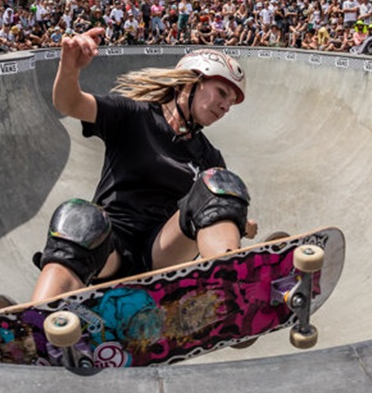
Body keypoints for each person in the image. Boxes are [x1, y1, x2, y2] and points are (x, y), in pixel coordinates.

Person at [30, 28, 257, 303]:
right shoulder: (133, 115)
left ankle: (230, 290)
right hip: (109, 252)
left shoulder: (208, 156)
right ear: (190, 82)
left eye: (231, 103)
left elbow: (214, 206)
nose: (225, 107)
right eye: (221, 93)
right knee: (79, 218)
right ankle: (39, 319)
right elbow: (70, 103)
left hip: (161, 258)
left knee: (220, 184)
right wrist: (69, 67)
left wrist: (234, 219)